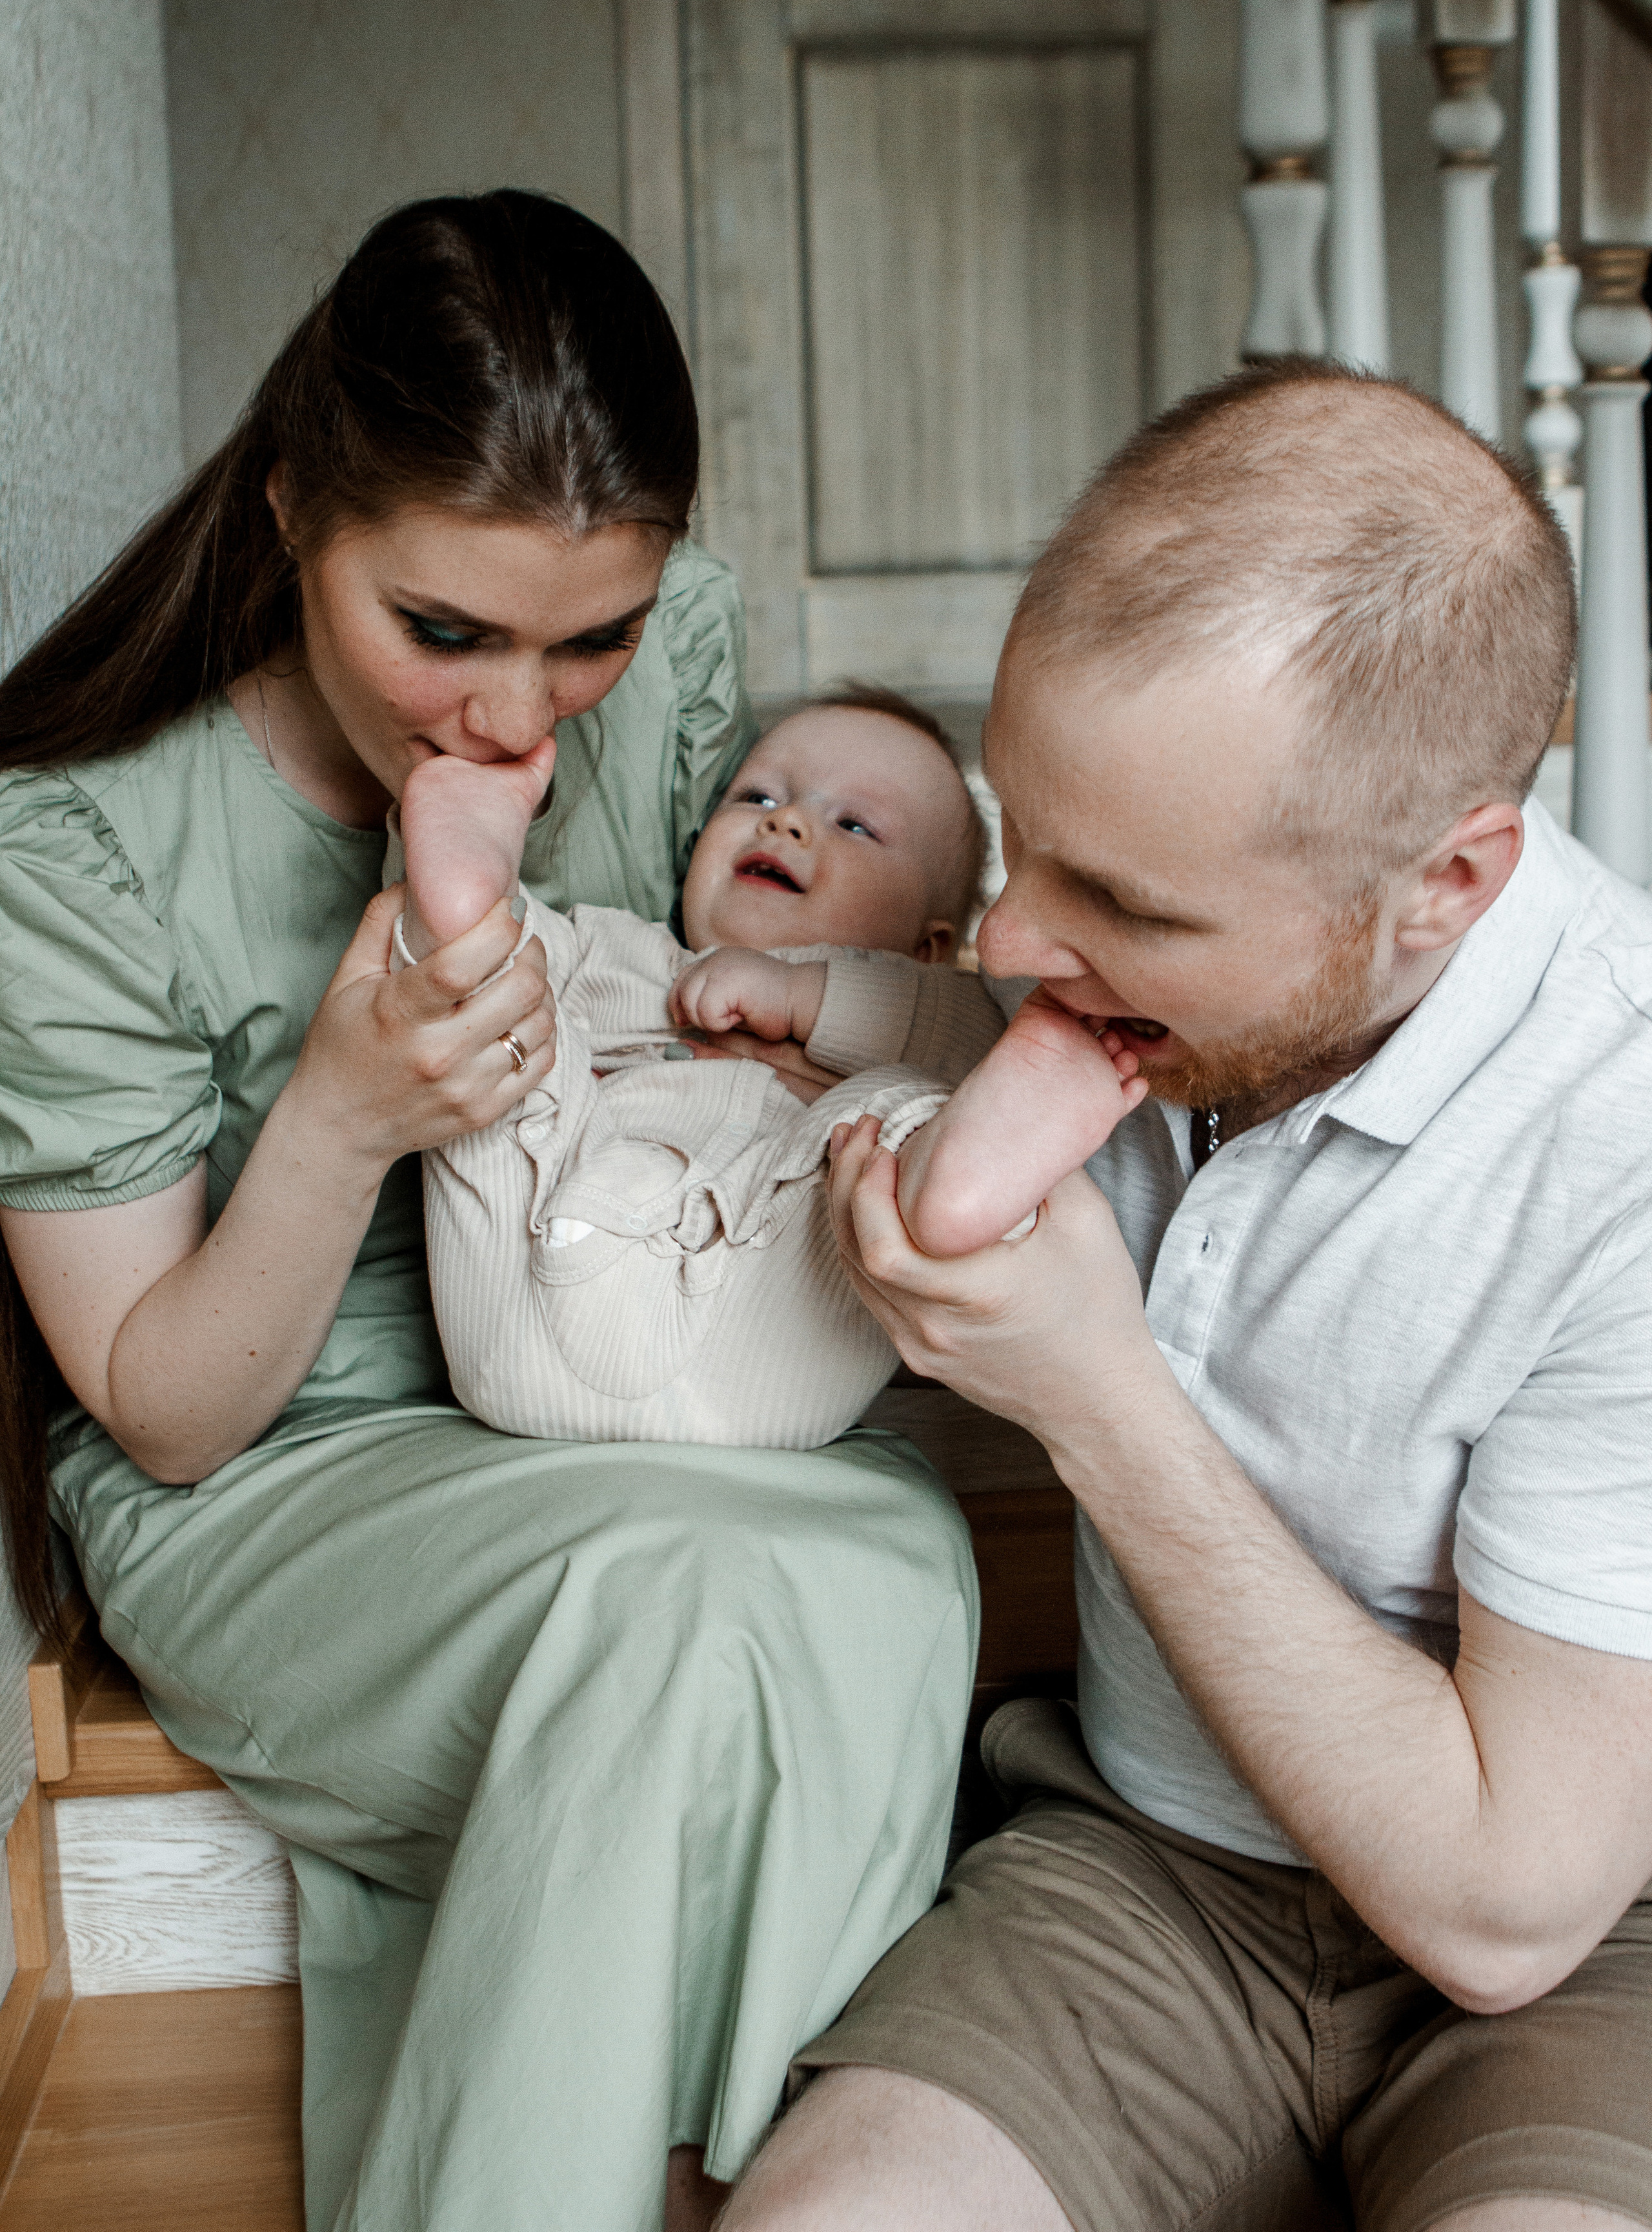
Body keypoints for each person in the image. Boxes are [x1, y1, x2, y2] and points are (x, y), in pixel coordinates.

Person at [0, 190, 980, 2232]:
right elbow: (162, 1414)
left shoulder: (670, 673)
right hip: (281, 1464)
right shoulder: (77, 851)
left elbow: (734, 989)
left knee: (889, 1552)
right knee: (675, 1599)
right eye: (442, 634)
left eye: (588, 639)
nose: (523, 721)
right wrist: (341, 1118)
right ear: (294, 510)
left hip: (628, 1374)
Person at [724, 363, 1652, 2232]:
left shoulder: (1617, 1130)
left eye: (1123, 905)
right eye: (1017, 834)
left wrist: (1092, 1390)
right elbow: (968, 996)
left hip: (1583, 1948)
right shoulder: (1107, 982)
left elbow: (1508, 1905)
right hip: (1138, 1871)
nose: (1007, 940)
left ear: (1443, 882)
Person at [394, 689, 1145, 1450]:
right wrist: (504, 941)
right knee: (502, 1027)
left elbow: (967, 1039)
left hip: (763, 1345)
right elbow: (539, 972)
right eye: (757, 796)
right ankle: (465, 898)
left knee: (913, 1103)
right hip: (514, 1316)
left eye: (854, 824)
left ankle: (957, 1189)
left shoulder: (928, 1006)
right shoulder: (624, 953)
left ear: (929, 944)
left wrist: (799, 993)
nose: (785, 821)